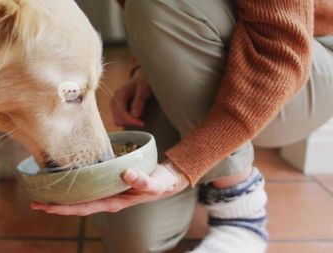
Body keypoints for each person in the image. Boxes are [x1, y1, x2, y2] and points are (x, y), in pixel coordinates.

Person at [32, 0, 333, 252]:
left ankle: (239, 208)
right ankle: (213, 170)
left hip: (303, 62)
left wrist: (182, 167)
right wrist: (149, 70)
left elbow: (279, 53)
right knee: (133, 236)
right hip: (210, 44)